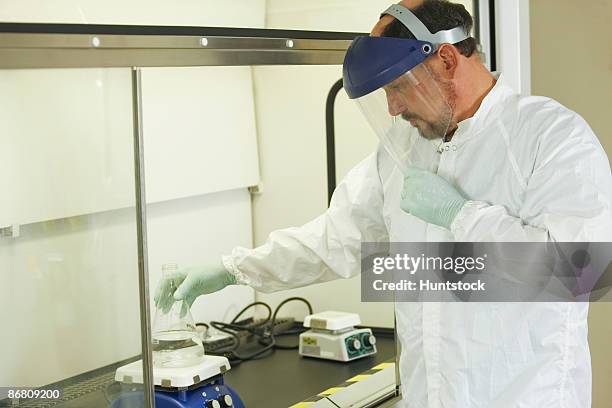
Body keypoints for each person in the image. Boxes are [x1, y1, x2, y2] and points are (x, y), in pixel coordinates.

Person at [155, 1, 612, 406]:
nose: (392, 109)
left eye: (397, 87)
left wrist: (462, 215)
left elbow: (580, 273)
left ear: (447, 60)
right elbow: (335, 240)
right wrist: (235, 269)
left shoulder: (551, 138)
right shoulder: (404, 150)